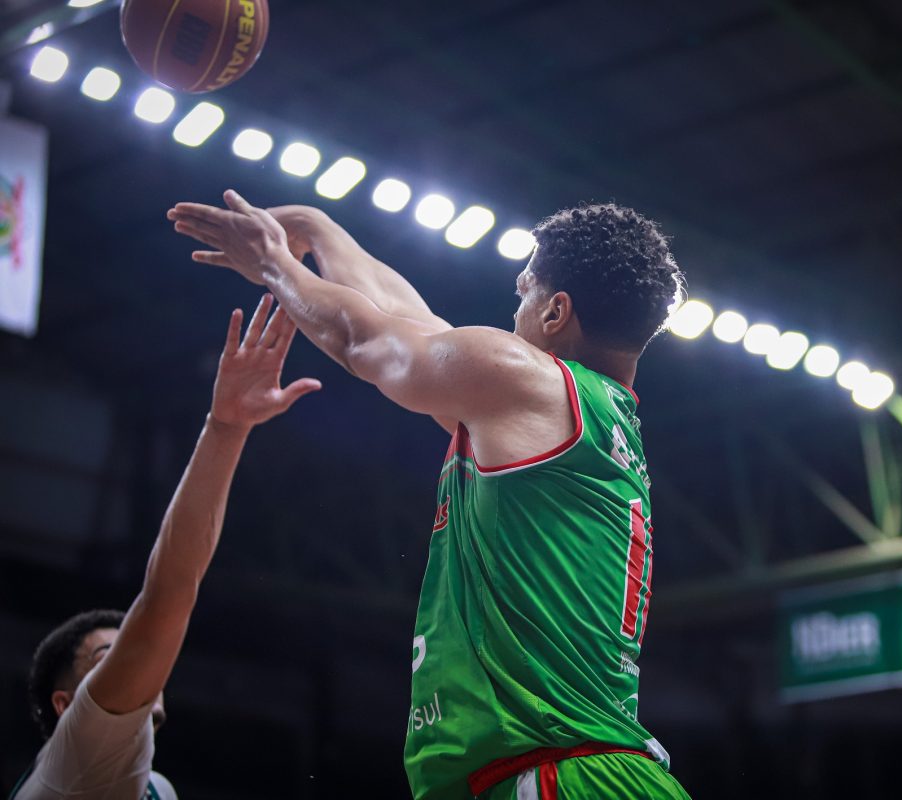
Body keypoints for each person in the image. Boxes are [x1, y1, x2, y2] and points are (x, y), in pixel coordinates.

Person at [168, 192, 691, 800]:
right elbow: (415, 324)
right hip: (576, 769)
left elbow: (364, 339)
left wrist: (273, 265)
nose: (513, 301)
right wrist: (318, 229)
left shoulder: (523, 383)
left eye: (524, 291)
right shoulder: (582, 414)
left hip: (558, 776)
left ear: (556, 312)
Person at [11, 297, 320, 800]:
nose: (137, 660)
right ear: (68, 705)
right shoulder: (81, 755)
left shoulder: (152, 786)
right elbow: (166, 597)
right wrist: (226, 427)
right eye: (108, 656)